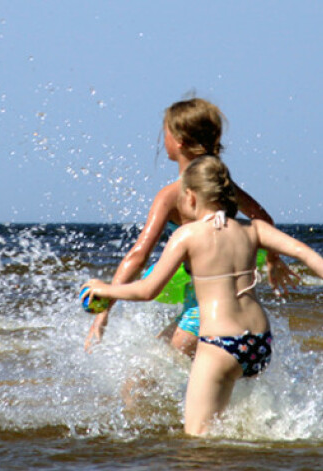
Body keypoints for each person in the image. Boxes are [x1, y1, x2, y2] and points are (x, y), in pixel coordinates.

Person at [80, 156, 323, 436]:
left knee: (197, 443)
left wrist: (105, 289)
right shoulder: (254, 229)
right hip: (259, 344)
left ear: (191, 197)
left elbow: (148, 290)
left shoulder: (186, 235)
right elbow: (305, 253)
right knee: (238, 430)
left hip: (221, 343)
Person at [84, 98, 298, 355]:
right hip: (244, 319)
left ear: (179, 141)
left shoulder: (172, 195)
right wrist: (273, 259)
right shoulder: (222, 185)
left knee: (135, 390)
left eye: (165, 133)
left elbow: (137, 256)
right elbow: (263, 220)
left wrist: (103, 314)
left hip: (200, 319)